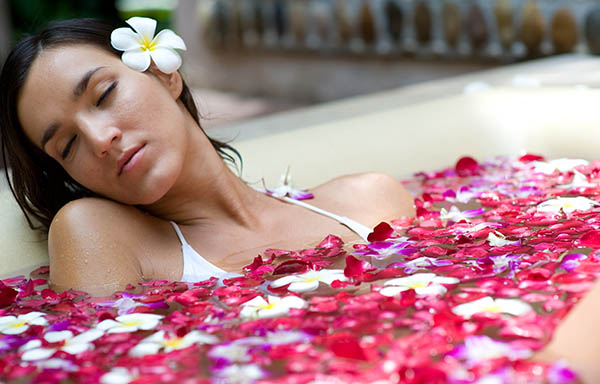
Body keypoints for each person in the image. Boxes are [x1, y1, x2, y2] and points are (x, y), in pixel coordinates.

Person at [0, 18, 414, 297]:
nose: (100, 138)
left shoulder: (370, 199)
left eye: (105, 94)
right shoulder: (95, 231)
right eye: (67, 146)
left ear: (165, 75)